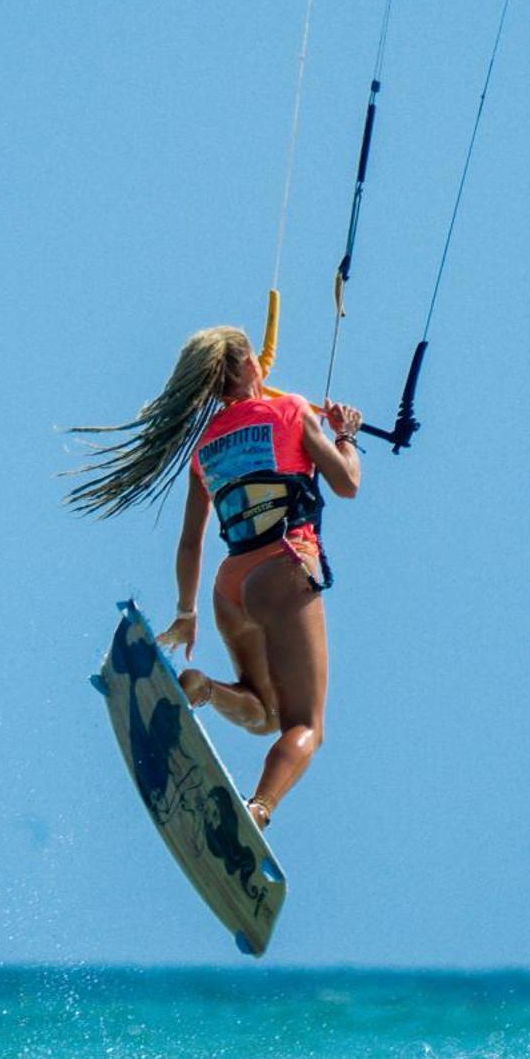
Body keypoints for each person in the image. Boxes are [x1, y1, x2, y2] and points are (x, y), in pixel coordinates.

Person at [68, 325, 362, 828]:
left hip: (231, 587)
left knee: (264, 713)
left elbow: (190, 542)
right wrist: (345, 436)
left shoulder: (204, 447)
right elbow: (347, 483)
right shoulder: (291, 409)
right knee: (305, 726)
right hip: (283, 568)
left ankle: (201, 687)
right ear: (250, 365)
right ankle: (259, 809)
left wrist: (187, 613)